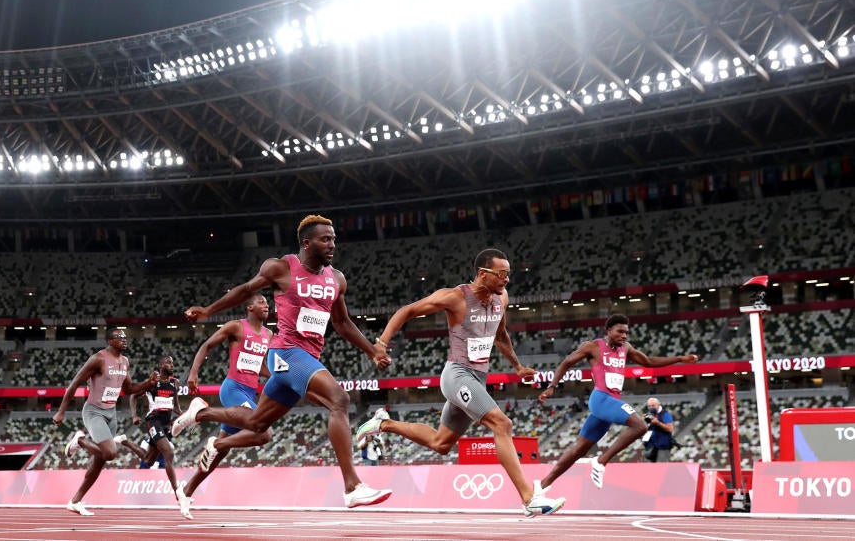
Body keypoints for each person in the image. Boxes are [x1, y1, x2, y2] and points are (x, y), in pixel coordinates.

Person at [174, 214, 393, 508]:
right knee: (339, 399)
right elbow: (245, 290)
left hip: (306, 358)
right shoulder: (280, 267)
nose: (332, 245)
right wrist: (208, 311)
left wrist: (371, 350)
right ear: (307, 243)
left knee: (256, 423)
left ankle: (200, 414)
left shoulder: (336, 279)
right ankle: (352, 486)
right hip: (285, 353)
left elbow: (342, 323)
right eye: (325, 239)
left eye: (334, 240)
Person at [355, 248, 560, 518]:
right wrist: (381, 344)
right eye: (501, 274)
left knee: (441, 443)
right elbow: (407, 311)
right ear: (482, 273)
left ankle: (383, 424)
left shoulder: (502, 299)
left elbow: (500, 336)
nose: (506, 280)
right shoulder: (455, 297)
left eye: (508, 275)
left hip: (478, 378)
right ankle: (529, 498)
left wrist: (518, 366)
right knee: (503, 424)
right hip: (457, 375)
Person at [535, 314, 698, 501]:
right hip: (600, 399)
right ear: (608, 331)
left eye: (627, 332)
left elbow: (649, 362)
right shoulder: (593, 346)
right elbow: (566, 363)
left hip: (609, 404)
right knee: (640, 426)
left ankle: (541, 486)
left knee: (579, 450)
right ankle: (601, 461)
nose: (624, 336)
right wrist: (552, 386)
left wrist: (679, 358)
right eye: (620, 331)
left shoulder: (626, 348)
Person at [175, 293, 276, 520]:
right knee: (264, 432)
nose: (266, 305)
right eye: (261, 302)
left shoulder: (269, 335)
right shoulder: (236, 327)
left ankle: (187, 490)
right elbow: (207, 345)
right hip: (233, 389)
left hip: (249, 392)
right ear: (249, 307)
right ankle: (201, 414)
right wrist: (193, 373)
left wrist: (278, 377)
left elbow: (258, 365)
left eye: (267, 304)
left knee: (219, 454)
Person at [52, 328, 158, 516]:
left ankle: (75, 501)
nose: (124, 340)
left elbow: (129, 389)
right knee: (110, 453)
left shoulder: (124, 361)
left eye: (126, 337)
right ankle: (80, 441)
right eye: (120, 337)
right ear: (110, 340)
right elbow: (74, 383)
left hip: (111, 414)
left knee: (99, 462)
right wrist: (61, 411)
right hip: (94, 412)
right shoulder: (98, 359)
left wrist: (148, 383)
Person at [117, 355, 182, 498]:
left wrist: (185, 416)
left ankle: (124, 441)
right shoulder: (153, 382)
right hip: (153, 421)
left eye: (172, 362)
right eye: (168, 363)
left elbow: (175, 405)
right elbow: (133, 396)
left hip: (166, 425)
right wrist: (134, 415)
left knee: (148, 460)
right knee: (169, 452)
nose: (172, 365)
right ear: (161, 365)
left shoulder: (175, 383)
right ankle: (179, 493)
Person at [642, 397, 675, 462]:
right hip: (650, 446)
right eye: (649, 406)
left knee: (662, 467)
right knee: (651, 469)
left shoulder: (665, 414)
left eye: (653, 405)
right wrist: (643, 422)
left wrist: (658, 423)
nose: (651, 407)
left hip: (662, 447)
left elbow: (670, 429)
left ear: (658, 405)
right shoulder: (649, 415)